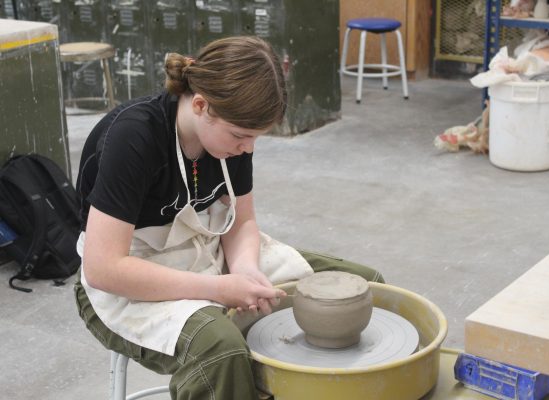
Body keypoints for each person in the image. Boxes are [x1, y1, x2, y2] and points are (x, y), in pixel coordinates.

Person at [74, 36, 384, 400]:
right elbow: (104, 269)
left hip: (208, 250)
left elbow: (242, 223)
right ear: (202, 105)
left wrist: (245, 268)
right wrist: (219, 289)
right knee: (221, 350)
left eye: (255, 138)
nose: (248, 148)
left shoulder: (229, 137)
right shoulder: (134, 137)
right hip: (130, 279)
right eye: (241, 136)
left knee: (368, 287)